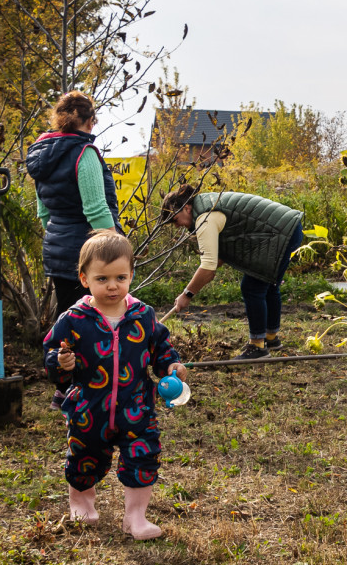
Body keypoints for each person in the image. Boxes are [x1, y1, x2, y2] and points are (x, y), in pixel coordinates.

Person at [43, 230, 186, 540]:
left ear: (131, 275)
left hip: (136, 407)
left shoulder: (143, 315)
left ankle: (135, 517)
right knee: (83, 457)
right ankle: (82, 505)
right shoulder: (73, 320)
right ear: (84, 279)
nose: (112, 285)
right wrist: (60, 363)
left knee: (143, 456)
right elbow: (53, 354)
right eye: (102, 278)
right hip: (89, 408)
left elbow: (160, 349)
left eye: (120, 277)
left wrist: (171, 367)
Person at [27, 91, 123, 411]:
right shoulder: (85, 153)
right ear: (90, 120)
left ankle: (62, 387)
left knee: (66, 320)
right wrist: (117, 248)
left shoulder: (41, 154)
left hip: (56, 246)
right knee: (95, 318)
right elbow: (96, 210)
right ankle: (89, 387)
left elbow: (44, 213)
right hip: (88, 250)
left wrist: (58, 239)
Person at [160, 184, 305, 359]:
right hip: (289, 227)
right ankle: (270, 338)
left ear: (187, 208)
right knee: (269, 285)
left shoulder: (205, 217)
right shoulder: (207, 204)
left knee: (252, 288)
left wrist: (187, 294)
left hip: (280, 232)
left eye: (175, 220)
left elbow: (208, 268)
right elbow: (217, 260)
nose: (177, 226)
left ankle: (258, 346)